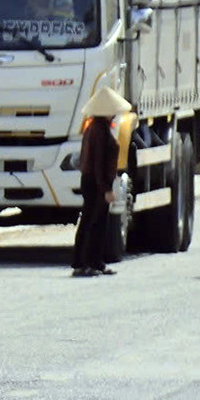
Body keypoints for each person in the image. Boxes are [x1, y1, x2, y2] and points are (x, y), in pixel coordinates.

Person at [72, 86, 130, 276]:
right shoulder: (99, 131)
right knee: (93, 222)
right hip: (95, 183)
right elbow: (97, 162)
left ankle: (95, 262)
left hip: (92, 181)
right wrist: (105, 189)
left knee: (95, 222)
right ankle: (85, 263)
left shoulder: (97, 128)